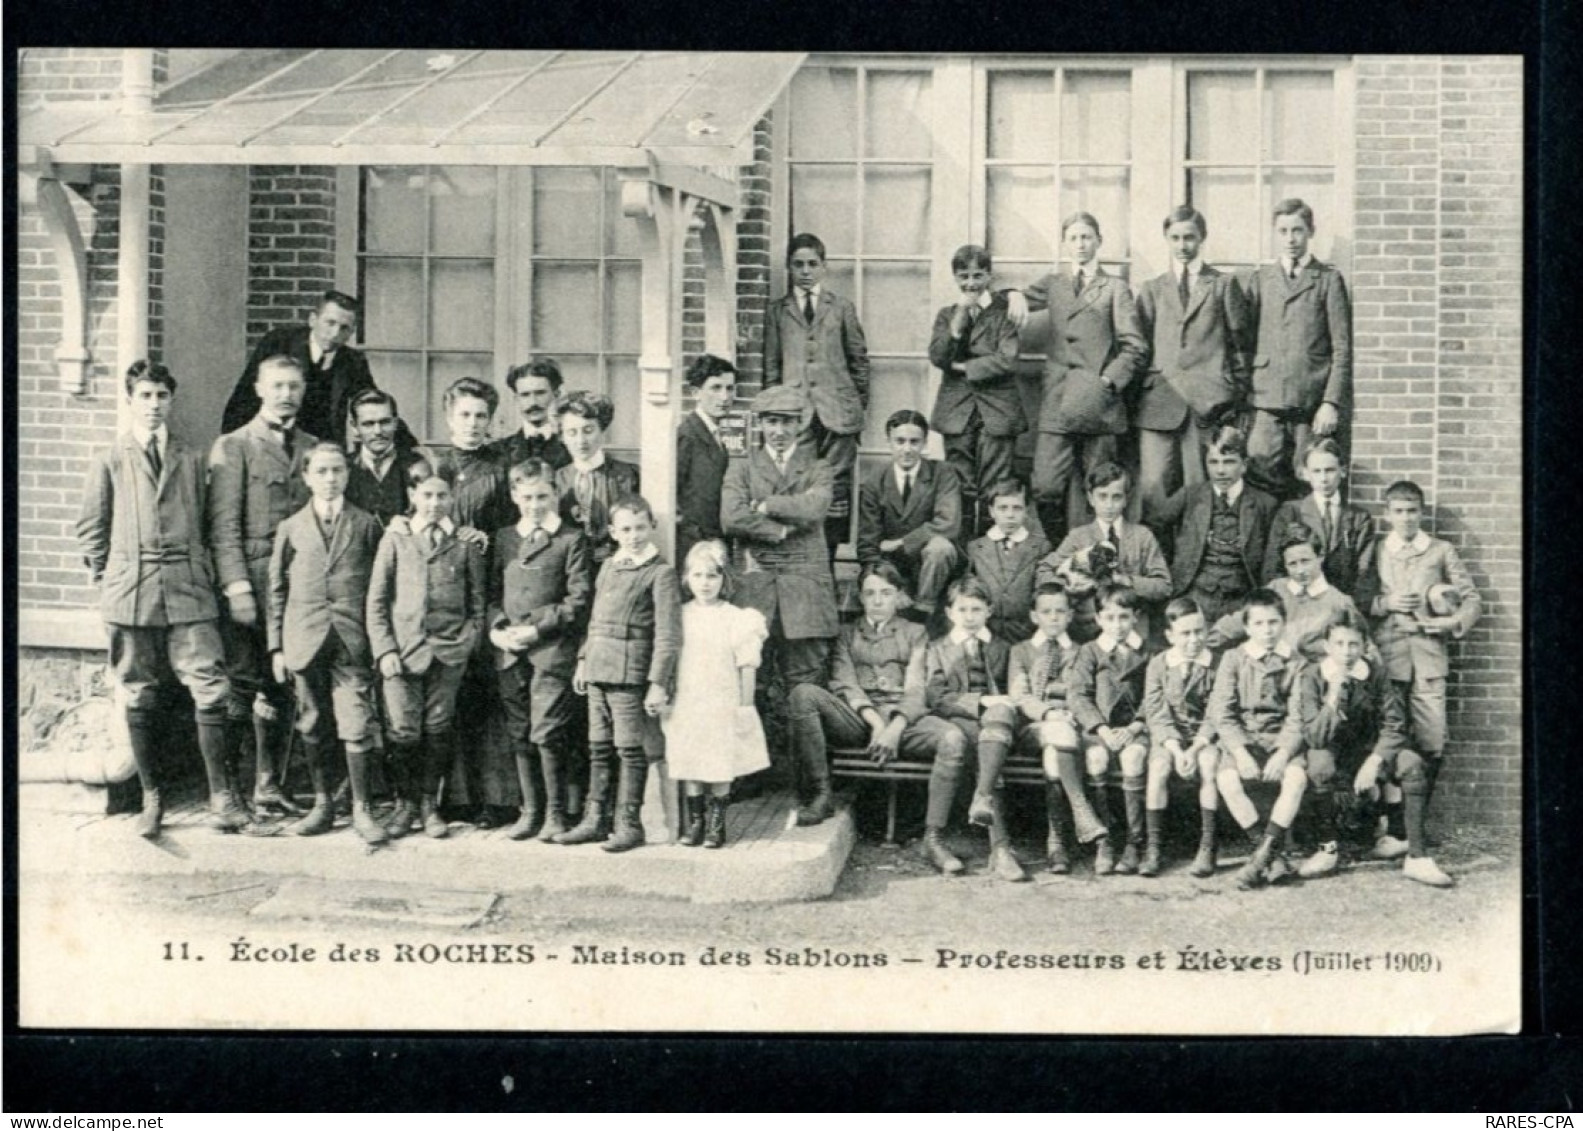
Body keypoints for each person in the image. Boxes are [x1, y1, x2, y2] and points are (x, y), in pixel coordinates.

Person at [76, 361, 241, 838]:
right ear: (130, 400)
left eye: (161, 397)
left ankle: (221, 795)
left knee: (210, 686)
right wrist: (112, 577)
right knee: (139, 689)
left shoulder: (191, 458)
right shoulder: (110, 458)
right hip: (132, 593)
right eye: (145, 396)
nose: (153, 405)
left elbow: (211, 523)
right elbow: (91, 529)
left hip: (189, 589)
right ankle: (152, 796)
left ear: (171, 401)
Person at [784, 563, 965, 853]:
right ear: (860, 598)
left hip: (905, 719)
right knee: (803, 695)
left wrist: (894, 727)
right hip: (858, 720)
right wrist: (876, 724)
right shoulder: (846, 633)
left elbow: (918, 687)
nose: (878, 601)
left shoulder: (916, 632)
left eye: (886, 593)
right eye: (870, 594)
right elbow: (845, 682)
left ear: (900, 597)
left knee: (952, 738)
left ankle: (934, 837)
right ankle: (821, 795)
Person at [1357, 479, 1482, 887]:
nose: (1406, 518)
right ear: (1387, 513)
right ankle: (1391, 833)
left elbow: (1472, 600)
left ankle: (1414, 829)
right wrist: (1385, 604)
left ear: (1421, 512)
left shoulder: (1441, 550)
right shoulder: (1377, 549)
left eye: (1412, 510)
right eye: (1398, 510)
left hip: (1428, 659)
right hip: (1388, 659)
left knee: (1431, 742)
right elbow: (1361, 599)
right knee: (1389, 740)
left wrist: (1445, 622)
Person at [209, 354, 318, 819]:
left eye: (294, 386)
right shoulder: (234, 446)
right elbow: (223, 526)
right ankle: (227, 792)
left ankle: (268, 787)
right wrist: (236, 587)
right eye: (277, 385)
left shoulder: (313, 446)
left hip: (296, 587)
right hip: (251, 582)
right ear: (259, 389)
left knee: (283, 685)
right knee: (241, 683)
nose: (286, 394)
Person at [265, 443, 387, 843]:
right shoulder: (291, 528)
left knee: (355, 720)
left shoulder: (366, 523)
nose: (331, 479)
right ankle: (322, 804)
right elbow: (277, 589)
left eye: (337, 470)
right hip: (304, 637)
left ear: (348, 475)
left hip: (352, 638)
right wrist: (277, 648)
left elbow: (379, 585)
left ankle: (362, 808)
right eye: (322, 471)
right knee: (313, 722)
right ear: (306, 477)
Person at [721, 385, 840, 784]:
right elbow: (732, 518)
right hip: (756, 590)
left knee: (804, 689)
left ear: (800, 424)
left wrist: (767, 505)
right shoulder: (742, 467)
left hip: (805, 590)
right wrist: (782, 531)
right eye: (771, 421)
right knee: (750, 684)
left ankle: (811, 784)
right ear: (760, 425)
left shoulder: (819, 467)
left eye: (787, 422)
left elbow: (816, 506)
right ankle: (751, 775)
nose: (778, 431)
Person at [366, 460, 488, 839]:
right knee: (403, 731)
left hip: (448, 653)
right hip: (403, 654)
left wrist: (467, 643)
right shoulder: (396, 538)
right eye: (427, 495)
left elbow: (478, 604)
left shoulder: (465, 544)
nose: (434, 503)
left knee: (438, 728)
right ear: (412, 497)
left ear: (453, 498)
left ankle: (427, 805)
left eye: (442, 495)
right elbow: (377, 599)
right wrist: (385, 649)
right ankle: (404, 805)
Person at [1008, 212, 1144, 544]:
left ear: (1099, 241)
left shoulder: (1114, 288)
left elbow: (1135, 345)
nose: (1080, 244)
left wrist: (1108, 382)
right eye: (1074, 238)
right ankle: (1060, 549)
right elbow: (1019, 298)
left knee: (1099, 490)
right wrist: (1013, 294)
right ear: (1065, 243)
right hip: (1057, 401)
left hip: (1099, 404)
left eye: (1087, 237)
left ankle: (1098, 558)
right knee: (1045, 486)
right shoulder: (1055, 284)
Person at [563, 496, 683, 853]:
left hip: (630, 673)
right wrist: (584, 659)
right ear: (613, 532)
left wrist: (658, 682)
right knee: (598, 747)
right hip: (598, 667)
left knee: (629, 749)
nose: (633, 536)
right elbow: (595, 620)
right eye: (626, 529)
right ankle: (594, 820)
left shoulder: (660, 573)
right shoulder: (609, 567)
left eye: (640, 528)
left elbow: (668, 635)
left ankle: (629, 824)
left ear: (652, 528)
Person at [487, 458, 593, 843]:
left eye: (543, 496)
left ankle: (556, 813)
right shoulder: (504, 539)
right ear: (515, 496)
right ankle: (529, 811)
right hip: (509, 652)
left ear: (555, 494)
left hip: (551, 651)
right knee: (520, 731)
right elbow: (489, 594)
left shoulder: (571, 539)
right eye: (528, 497)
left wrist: (535, 629)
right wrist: (497, 629)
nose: (535, 505)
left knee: (548, 731)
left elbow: (577, 601)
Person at [1133, 206, 1251, 528]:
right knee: (1153, 487)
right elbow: (1138, 347)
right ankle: (1158, 563)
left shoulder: (1223, 285)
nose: (1182, 245)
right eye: (1175, 238)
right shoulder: (1153, 289)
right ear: (1166, 239)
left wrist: (1231, 397)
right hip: (1159, 403)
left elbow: (1241, 346)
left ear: (1202, 238)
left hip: (1207, 404)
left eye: (1189, 237)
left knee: (1200, 486)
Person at [762, 232, 871, 551]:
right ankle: (804, 558)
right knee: (800, 486)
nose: (806, 271)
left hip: (838, 416)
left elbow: (859, 361)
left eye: (812, 264)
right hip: (797, 417)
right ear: (789, 268)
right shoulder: (777, 312)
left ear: (823, 267)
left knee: (836, 491)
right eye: (798, 265)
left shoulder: (840, 308)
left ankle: (832, 561)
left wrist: (855, 405)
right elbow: (771, 367)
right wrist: (779, 413)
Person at [661, 540, 771, 849]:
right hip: (689, 698)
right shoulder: (679, 615)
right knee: (691, 758)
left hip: (721, 698)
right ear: (686, 579)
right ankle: (696, 822)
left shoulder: (736, 617)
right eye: (698, 576)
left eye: (712, 576)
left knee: (720, 760)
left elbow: (747, 664)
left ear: (723, 579)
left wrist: (745, 706)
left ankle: (717, 823)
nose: (705, 583)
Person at [1243, 199, 1354, 499]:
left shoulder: (1328, 280)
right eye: (1283, 231)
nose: (1290, 239)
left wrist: (1330, 402)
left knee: (1308, 481)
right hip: (1266, 402)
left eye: (1298, 231)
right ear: (1275, 234)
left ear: (1310, 232)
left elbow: (1341, 349)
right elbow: (1244, 342)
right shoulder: (1261, 280)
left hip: (1310, 404)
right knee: (1260, 477)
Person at [1292, 608, 1411, 881]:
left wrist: (1374, 761)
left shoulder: (1375, 674)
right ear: (1326, 645)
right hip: (1331, 748)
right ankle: (1327, 849)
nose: (1346, 652)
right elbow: (1315, 736)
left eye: (1353, 644)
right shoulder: (1312, 675)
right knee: (1320, 763)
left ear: (1364, 645)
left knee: (1400, 762)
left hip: (1365, 750)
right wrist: (1333, 696)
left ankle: (1392, 835)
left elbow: (1394, 723)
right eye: (1339, 644)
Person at [924, 576, 1028, 882]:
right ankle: (1000, 848)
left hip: (1001, 722)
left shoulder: (1002, 647)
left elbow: (1015, 691)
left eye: (977, 609)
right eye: (963, 609)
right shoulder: (938, 649)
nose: (970, 617)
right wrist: (981, 702)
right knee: (989, 741)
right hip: (961, 719)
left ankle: (982, 799)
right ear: (949, 612)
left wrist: (1001, 703)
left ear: (989, 611)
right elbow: (937, 696)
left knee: (998, 722)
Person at [1206, 589, 1309, 890]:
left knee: (1296, 778)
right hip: (1244, 739)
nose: (1267, 631)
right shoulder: (1233, 659)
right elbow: (1222, 713)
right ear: (1248, 627)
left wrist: (1282, 753)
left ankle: (1261, 856)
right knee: (1226, 780)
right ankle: (1271, 856)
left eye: (1274, 623)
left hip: (1280, 738)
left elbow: (1298, 716)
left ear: (1284, 624)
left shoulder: (1296, 662)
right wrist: (1240, 753)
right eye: (1260, 624)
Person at [927, 244, 1024, 536]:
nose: (970, 283)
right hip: (957, 412)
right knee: (959, 486)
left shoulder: (1004, 312)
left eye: (978, 275)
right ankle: (962, 555)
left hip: (997, 411)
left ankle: (989, 554)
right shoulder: (947, 315)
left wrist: (963, 369)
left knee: (996, 486)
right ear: (954, 277)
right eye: (963, 276)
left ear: (989, 276)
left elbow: (1006, 359)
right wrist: (957, 323)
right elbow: (938, 356)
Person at [220, 290, 387, 445]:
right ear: (313, 320)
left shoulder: (352, 361)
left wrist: (409, 449)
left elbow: (374, 405)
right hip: (275, 444)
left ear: (352, 332)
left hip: (322, 452)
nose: (335, 333)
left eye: (344, 328)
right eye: (330, 323)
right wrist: (233, 446)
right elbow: (244, 399)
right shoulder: (279, 343)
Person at [1065, 584, 1153, 875]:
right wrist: (1101, 728)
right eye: (1110, 618)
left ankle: (1134, 840)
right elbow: (1078, 695)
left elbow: (1156, 695)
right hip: (1100, 730)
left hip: (1137, 728)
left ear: (1135, 617)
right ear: (1099, 619)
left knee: (1133, 758)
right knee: (1096, 759)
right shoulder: (1090, 651)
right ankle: (1106, 837)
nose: (1118, 625)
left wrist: (1136, 725)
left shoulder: (1148, 652)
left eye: (1124, 617)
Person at [1157, 424, 1278, 626]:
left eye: (1229, 462)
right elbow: (1155, 528)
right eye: (1213, 462)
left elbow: (1271, 560)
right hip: (1194, 594)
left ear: (1244, 465)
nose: (1220, 471)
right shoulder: (1190, 496)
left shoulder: (1265, 504)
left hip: (1242, 599)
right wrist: (1172, 567)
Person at [1038, 461, 1171, 644]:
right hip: (1087, 630)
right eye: (1102, 497)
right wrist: (1067, 585)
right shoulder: (1078, 537)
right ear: (1091, 499)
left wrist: (1127, 580)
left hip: (1132, 629)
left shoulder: (1142, 536)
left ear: (1126, 499)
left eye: (1116, 497)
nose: (1109, 505)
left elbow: (1164, 586)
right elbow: (1043, 573)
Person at [1006, 582, 1084, 873]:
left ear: (1070, 616)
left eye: (1060, 611)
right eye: (1046, 611)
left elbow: (1081, 693)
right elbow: (1020, 695)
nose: (1053, 617)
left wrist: (1069, 713)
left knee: (1055, 752)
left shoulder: (1079, 651)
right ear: (1034, 616)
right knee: (1056, 734)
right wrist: (1049, 712)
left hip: (1068, 730)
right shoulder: (1021, 651)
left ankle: (1056, 841)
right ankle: (1078, 812)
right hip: (1033, 729)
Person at [856, 410, 963, 620]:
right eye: (900, 441)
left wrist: (902, 542)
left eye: (914, 442)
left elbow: (948, 524)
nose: (907, 449)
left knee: (940, 547)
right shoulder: (875, 480)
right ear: (889, 442)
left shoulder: (942, 473)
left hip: (934, 566)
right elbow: (868, 543)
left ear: (924, 443)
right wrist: (892, 585)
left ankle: (923, 611)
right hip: (894, 568)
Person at [1142, 597, 1219, 877]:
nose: (1194, 640)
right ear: (1170, 635)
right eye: (1185, 634)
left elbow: (1217, 713)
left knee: (1210, 766)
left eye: (1199, 631)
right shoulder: (1159, 664)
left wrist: (1196, 748)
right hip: (1171, 739)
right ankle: (1154, 847)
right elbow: (1156, 713)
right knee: (1159, 768)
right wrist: (1176, 751)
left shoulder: (1217, 663)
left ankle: (1208, 845)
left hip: (1205, 737)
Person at [1213, 520, 1361, 662]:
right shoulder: (1276, 589)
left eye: (1305, 561)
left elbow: (1364, 646)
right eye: (1292, 564)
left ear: (1320, 557)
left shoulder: (1339, 602)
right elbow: (1241, 620)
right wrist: (1211, 638)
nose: (1300, 570)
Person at [1261, 437, 1376, 599]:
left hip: (1341, 603)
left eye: (1330, 470)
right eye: (1316, 471)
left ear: (1342, 471)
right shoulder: (1290, 512)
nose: (1323, 479)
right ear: (1306, 474)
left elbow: (1364, 574)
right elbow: (1273, 568)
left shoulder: (1359, 519)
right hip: (1298, 603)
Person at [554, 390, 640, 572]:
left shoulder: (628, 475)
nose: (581, 440)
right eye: (572, 432)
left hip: (617, 568)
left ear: (602, 430)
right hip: (569, 571)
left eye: (588, 430)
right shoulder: (556, 480)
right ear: (562, 437)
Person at [964, 478, 1051, 646]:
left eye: (1017, 508)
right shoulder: (975, 548)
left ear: (1026, 511)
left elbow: (1042, 591)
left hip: (1026, 635)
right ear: (991, 511)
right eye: (1002, 508)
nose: (1010, 515)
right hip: (986, 634)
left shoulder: (1040, 547)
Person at [675, 354, 738, 568]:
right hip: (695, 545)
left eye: (730, 388)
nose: (725, 396)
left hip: (715, 541)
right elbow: (674, 494)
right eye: (716, 388)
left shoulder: (715, 433)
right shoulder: (687, 436)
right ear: (696, 393)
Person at [343, 388, 428, 527]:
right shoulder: (344, 468)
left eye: (385, 422)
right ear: (355, 427)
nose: (378, 431)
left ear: (395, 422)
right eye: (368, 424)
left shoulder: (416, 465)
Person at [486, 359, 572, 473]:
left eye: (540, 393)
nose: (533, 402)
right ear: (516, 399)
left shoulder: (573, 446)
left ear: (556, 394)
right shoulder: (498, 451)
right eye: (525, 395)